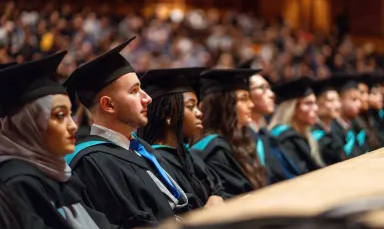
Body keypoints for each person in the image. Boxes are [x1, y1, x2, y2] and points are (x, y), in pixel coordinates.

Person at [63, 37, 189, 228]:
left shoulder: (140, 148)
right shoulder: (92, 162)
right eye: (134, 91)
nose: (147, 98)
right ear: (108, 104)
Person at [0, 52, 114, 229]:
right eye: (59, 116)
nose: (73, 126)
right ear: (28, 125)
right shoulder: (17, 183)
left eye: (71, 114)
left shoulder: (55, 172)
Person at [137, 67, 227, 210]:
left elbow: (218, 189)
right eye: (190, 107)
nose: (199, 113)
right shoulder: (157, 164)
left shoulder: (188, 155)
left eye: (197, 106)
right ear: (167, 114)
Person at [191, 68, 267, 196]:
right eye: (244, 99)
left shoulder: (244, 141)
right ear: (224, 105)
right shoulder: (214, 151)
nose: (251, 105)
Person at [247, 71, 298, 182]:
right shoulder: (243, 140)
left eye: (269, 88)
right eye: (262, 88)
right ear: (246, 96)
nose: (271, 94)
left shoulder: (265, 135)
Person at [268, 76, 324, 176]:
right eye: (308, 103)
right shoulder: (284, 139)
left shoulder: (304, 136)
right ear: (292, 109)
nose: (315, 108)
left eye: (315, 103)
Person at [331, 75, 367, 159]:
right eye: (354, 99)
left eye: (359, 100)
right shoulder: (332, 129)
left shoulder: (356, 123)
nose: (359, 104)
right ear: (339, 100)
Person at [310, 75, 344, 165]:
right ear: (317, 104)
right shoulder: (312, 132)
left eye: (338, 100)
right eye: (331, 101)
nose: (337, 105)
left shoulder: (337, 126)